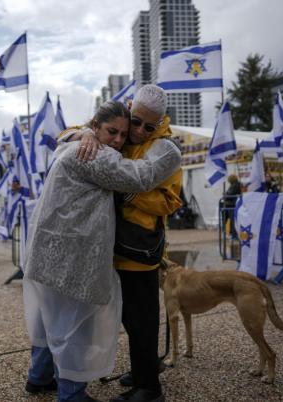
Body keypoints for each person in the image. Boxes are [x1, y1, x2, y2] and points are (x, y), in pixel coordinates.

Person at [23, 100, 181, 402]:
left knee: (48, 318)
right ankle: (71, 396)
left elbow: (66, 135)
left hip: (48, 254)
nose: (119, 140)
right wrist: (172, 151)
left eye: (123, 134)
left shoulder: (70, 148)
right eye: (112, 131)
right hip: (71, 259)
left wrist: (82, 132)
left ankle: (39, 378)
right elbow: (141, 176)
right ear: (95, 127)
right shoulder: (93, 153)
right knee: (73, 326)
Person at [74, 85, 182, 402]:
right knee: (128, 317)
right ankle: (143, 370)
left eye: (149, 126)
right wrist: (85, 134)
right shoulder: (117, 125)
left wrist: (130, 194)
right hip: (111, 244)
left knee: (143, 318)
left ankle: (150, 388)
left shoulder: (164, 147)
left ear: (160, 123)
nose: (138, 131)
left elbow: (171, 200)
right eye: (136, 121)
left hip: (139, 251)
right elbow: (71, 131)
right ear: (130, 108)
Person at [223, 174, 242, 239]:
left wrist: (225, 194)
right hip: (229, 204)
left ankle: (234, 235)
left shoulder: (235, 185)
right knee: (229, 220)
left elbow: (229, 194)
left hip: (231, 205)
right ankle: (231, 233)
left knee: (233, 221)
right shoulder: (233, 185)